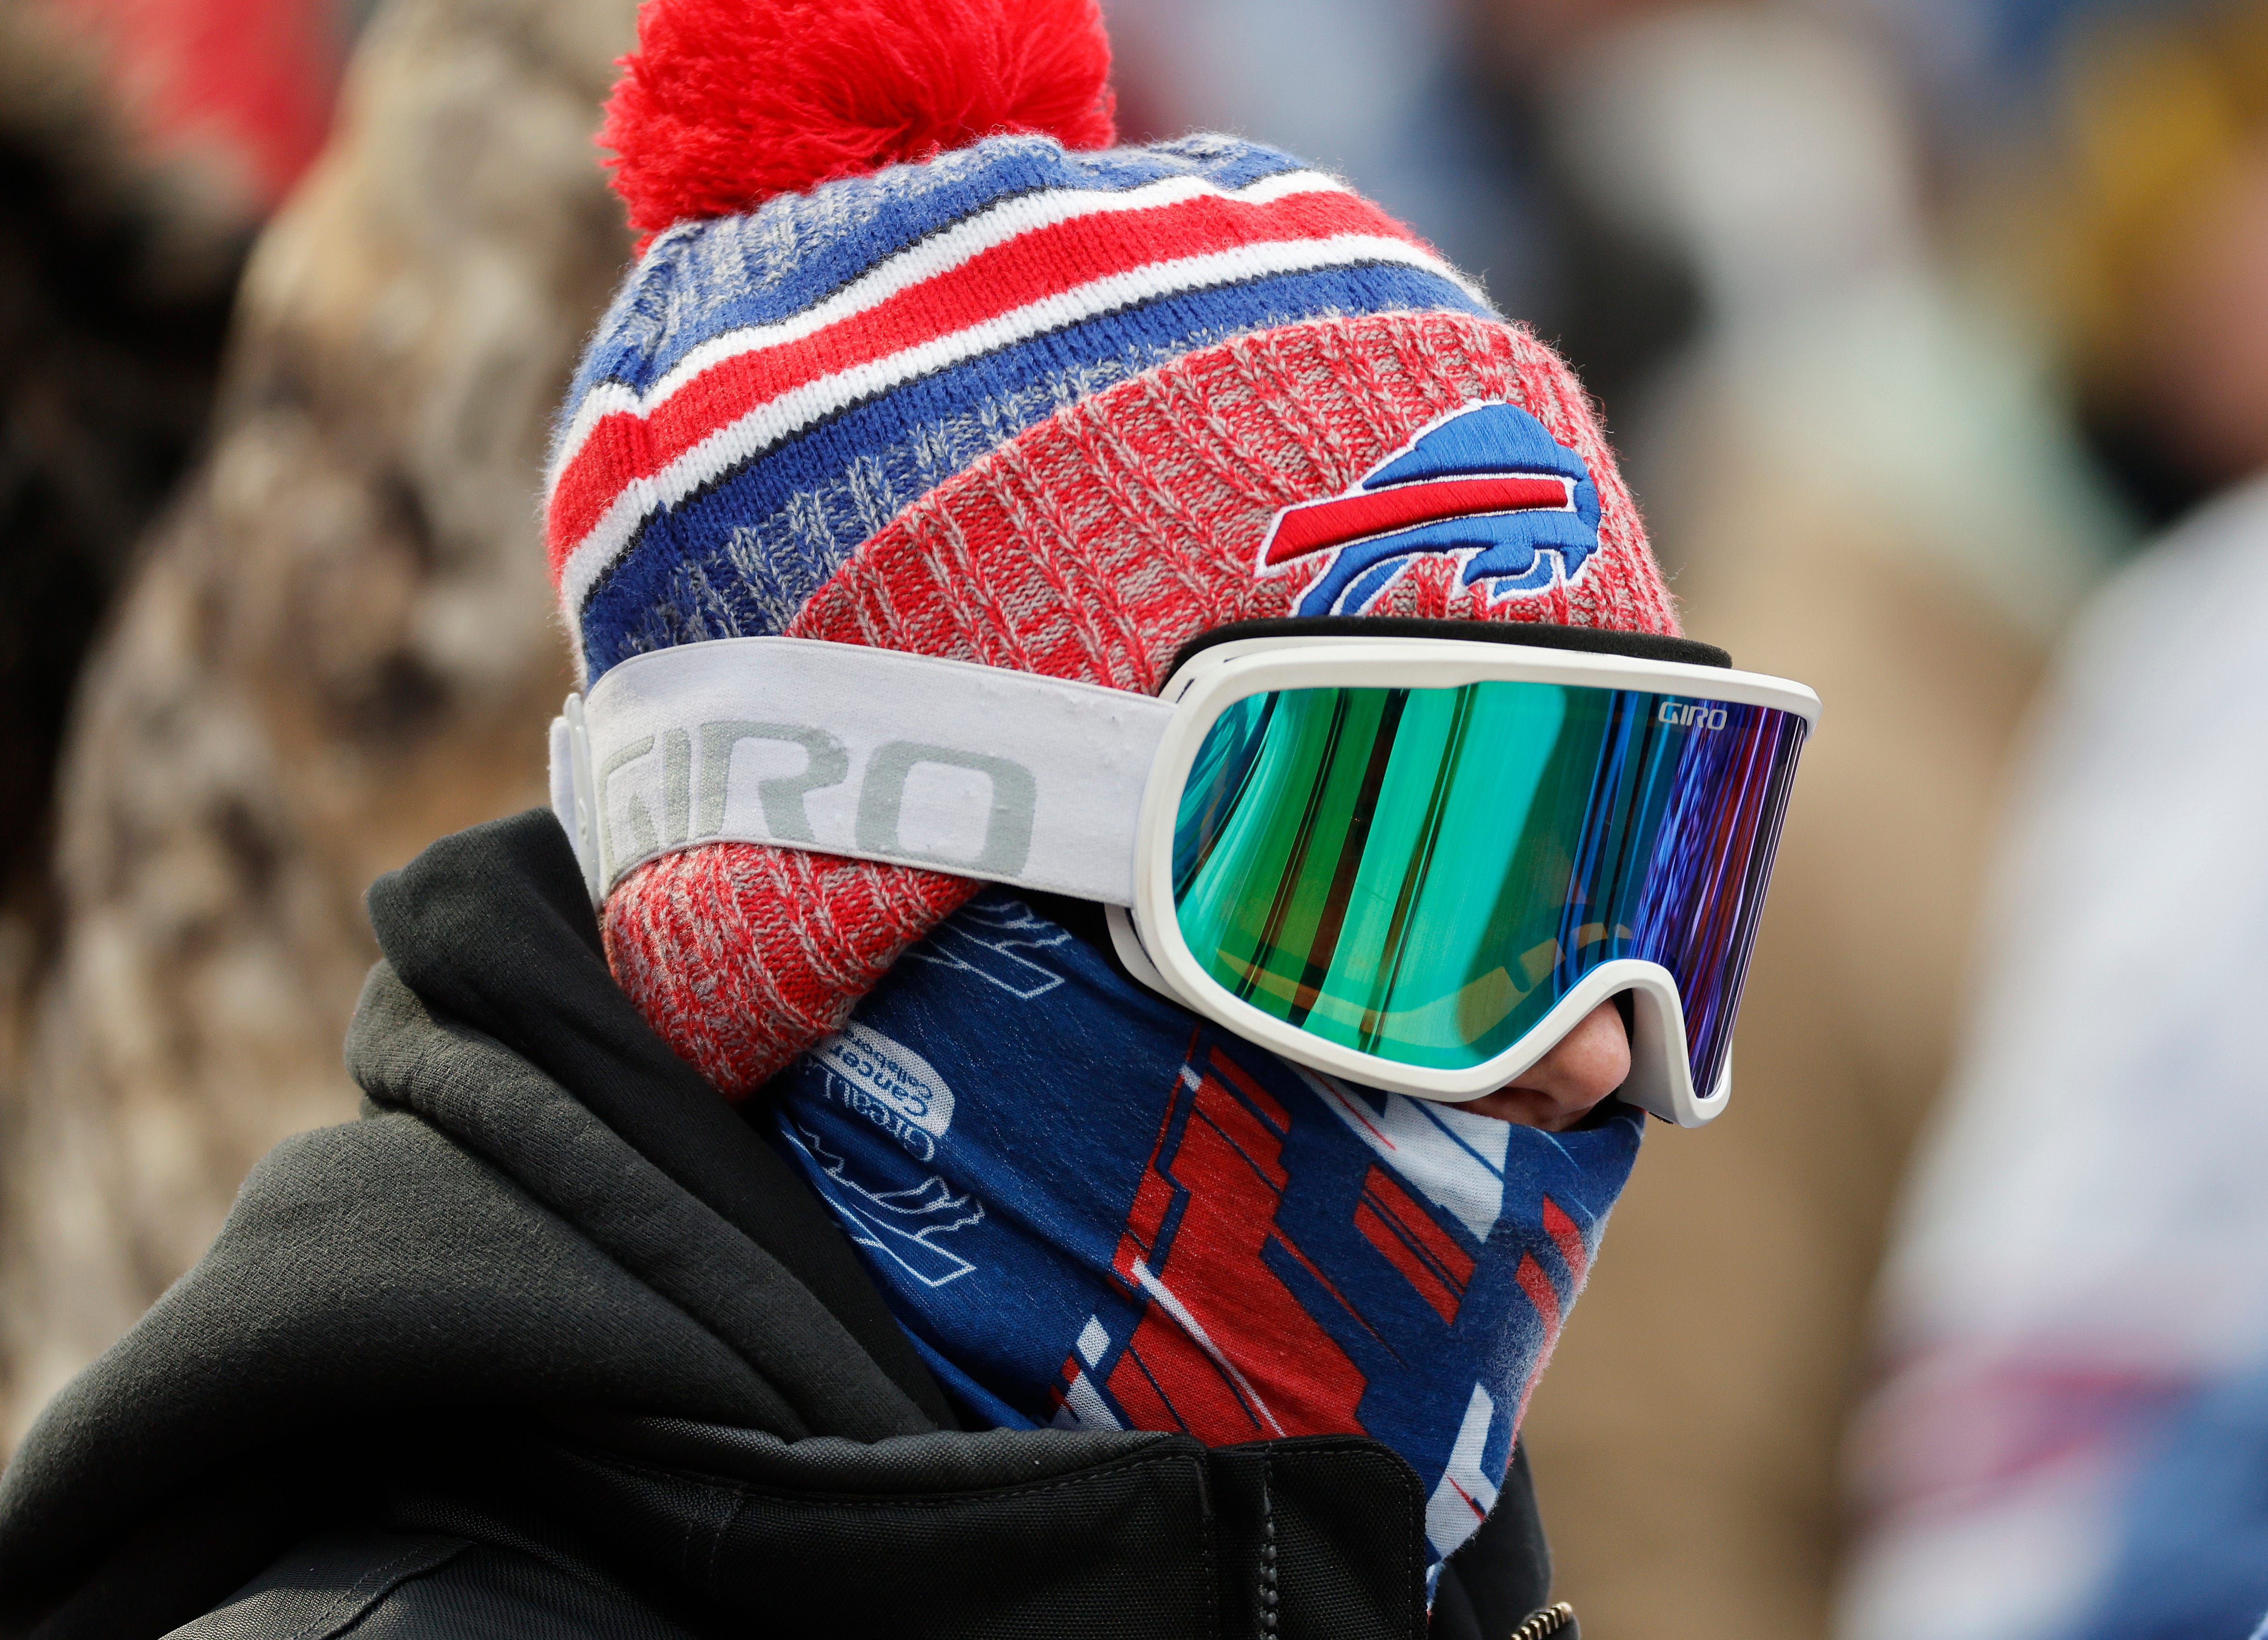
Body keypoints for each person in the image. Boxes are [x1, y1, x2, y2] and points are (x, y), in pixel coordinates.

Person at [0, 1, 1819, 1634]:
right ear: (865, 900)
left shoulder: (1379, 1580)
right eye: (1404, 871)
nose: (1599, 1057)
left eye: (1646, 861)